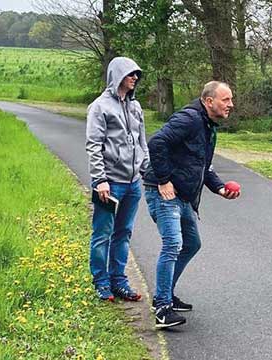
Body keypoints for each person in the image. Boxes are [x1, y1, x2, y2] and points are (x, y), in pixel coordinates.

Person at [143, 81, 240, 329]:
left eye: (231, 99)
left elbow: (203, 165)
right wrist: (163, 180)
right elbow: (156, 143)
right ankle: (163, 308)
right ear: (209, 101)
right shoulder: (190, 119)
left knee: (192, 243)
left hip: (183, 195)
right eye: (225, 100)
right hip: (163, 192)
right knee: (173, 244)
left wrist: (219, 188)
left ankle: (164, 295)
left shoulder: (208, 126)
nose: (231, 104)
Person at [85, 57, 149, 301]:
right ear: (118, 75)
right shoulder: (100, 107)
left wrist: (147, 169)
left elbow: (141, 142)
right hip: (109, 184)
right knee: (103, 233)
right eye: (130, 73)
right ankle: (101, 282)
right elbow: (94, 145)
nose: (134, 78)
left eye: (137, 75)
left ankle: (119, 280)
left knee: (124, 233)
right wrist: (100, 179)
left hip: (133, 183)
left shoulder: (136, 107)